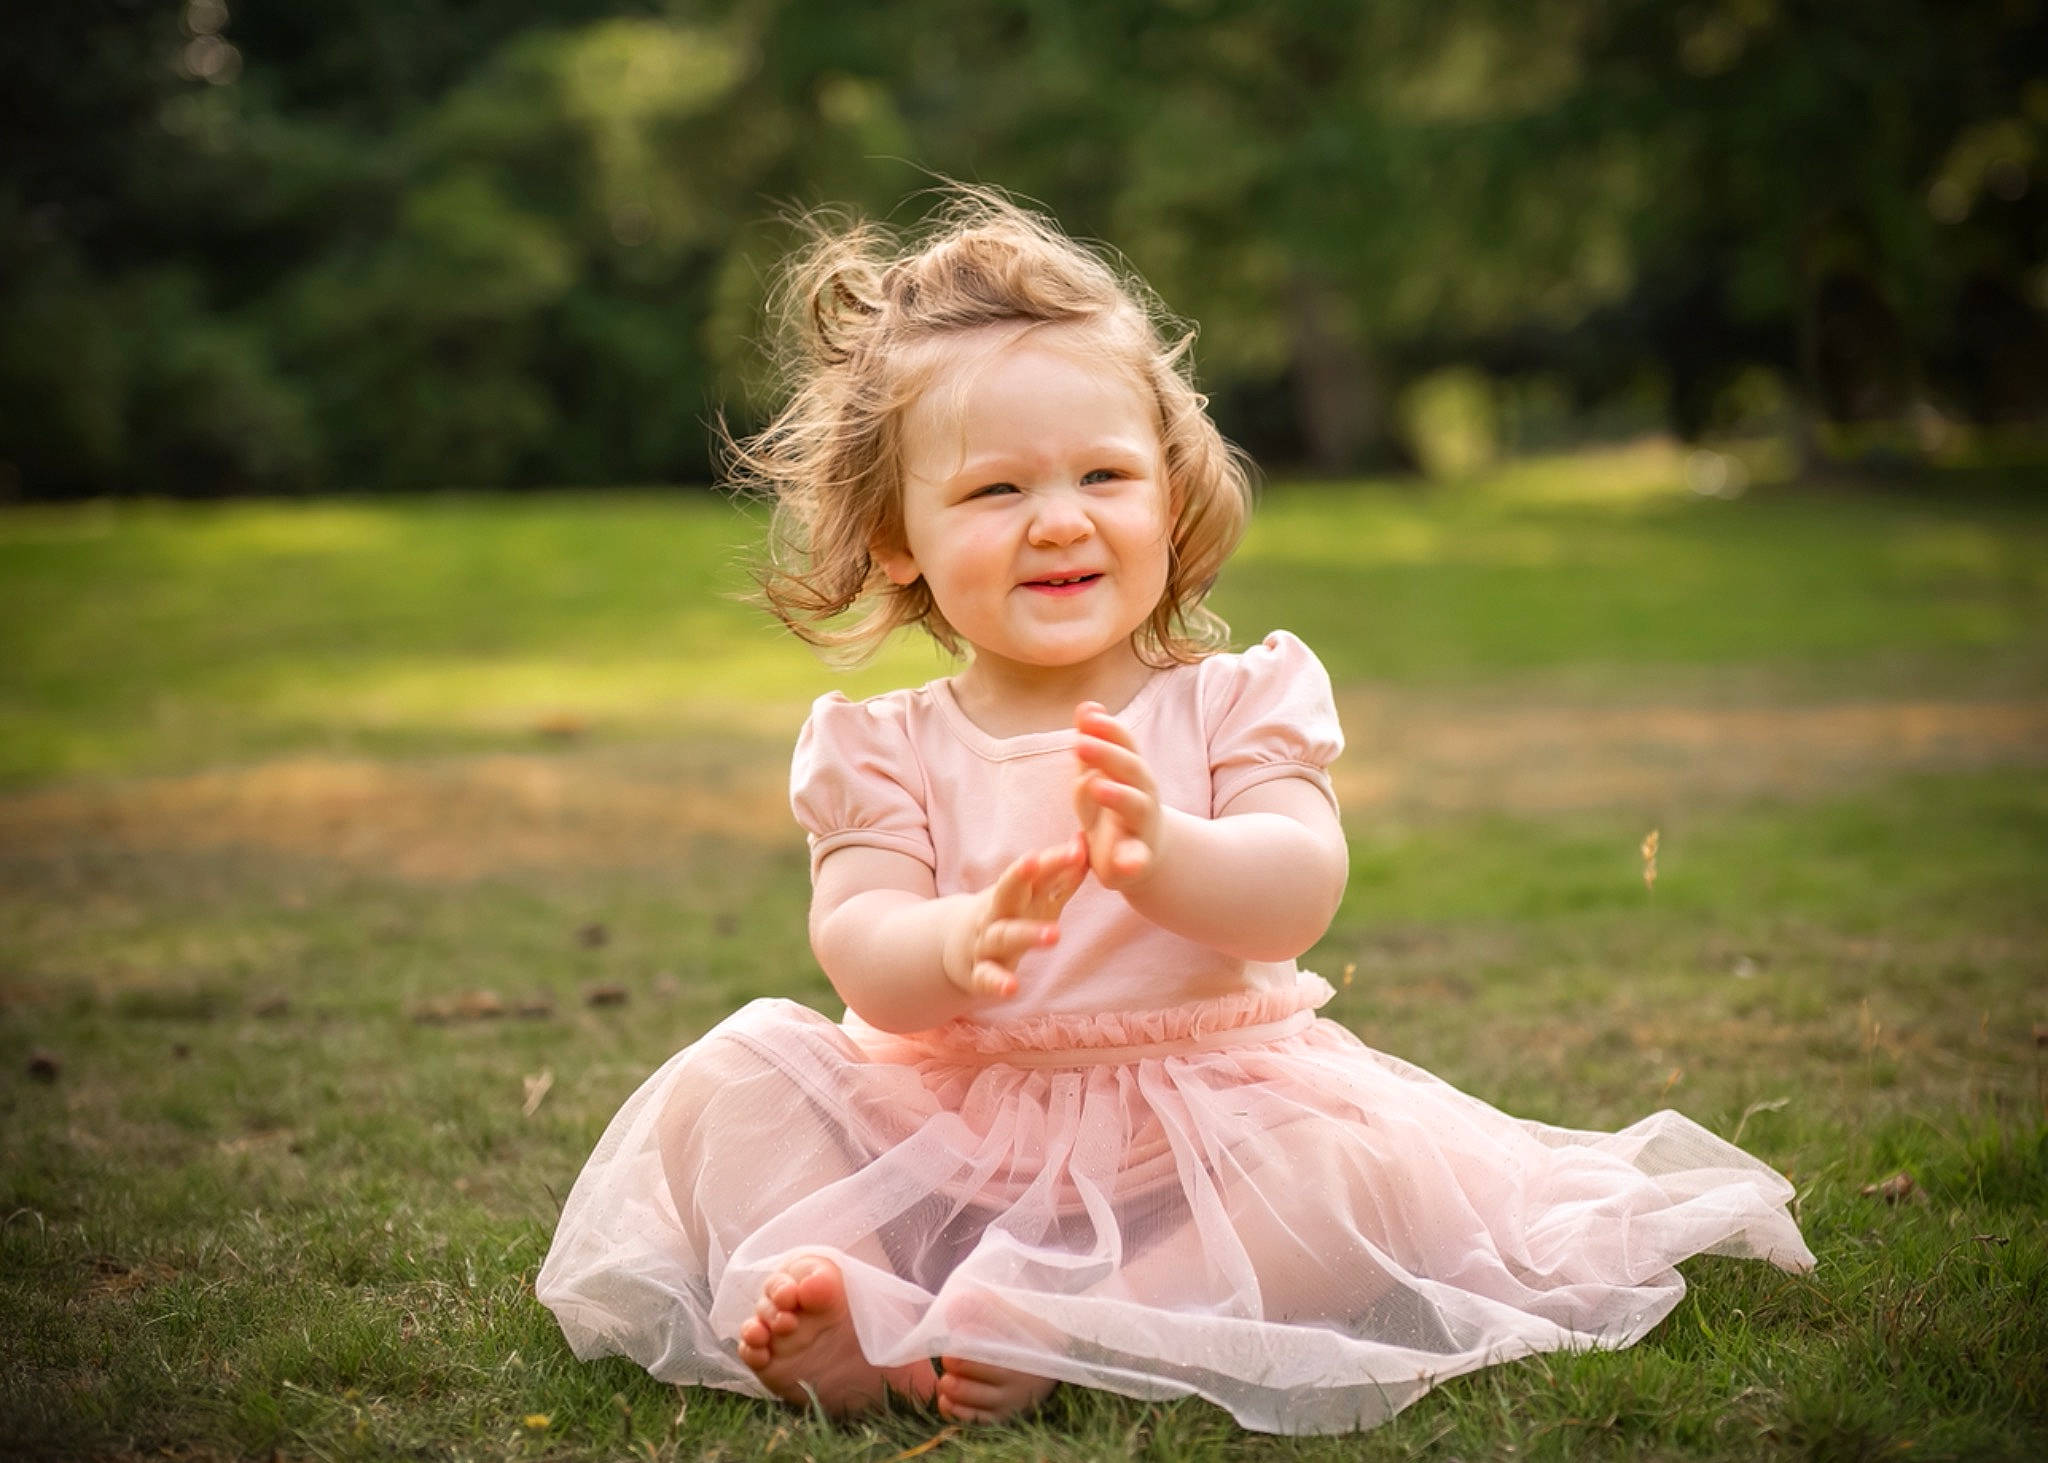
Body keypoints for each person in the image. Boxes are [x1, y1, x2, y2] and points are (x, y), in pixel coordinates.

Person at [535, 191, 1814, 1435]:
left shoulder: (1232, 700)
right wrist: (952, 941)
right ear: (894, 537)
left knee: (1353, 1163)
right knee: (727, 1080)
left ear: (1169, 491)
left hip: (1197, 1147)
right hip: (945, 1138)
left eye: (1104, 473)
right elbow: (857, 938)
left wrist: (1168, 855)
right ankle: (862, 1305)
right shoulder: (882, 746)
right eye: (994, 491)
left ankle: (1078, 1321)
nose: (1059, 521)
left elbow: (1298, 885)